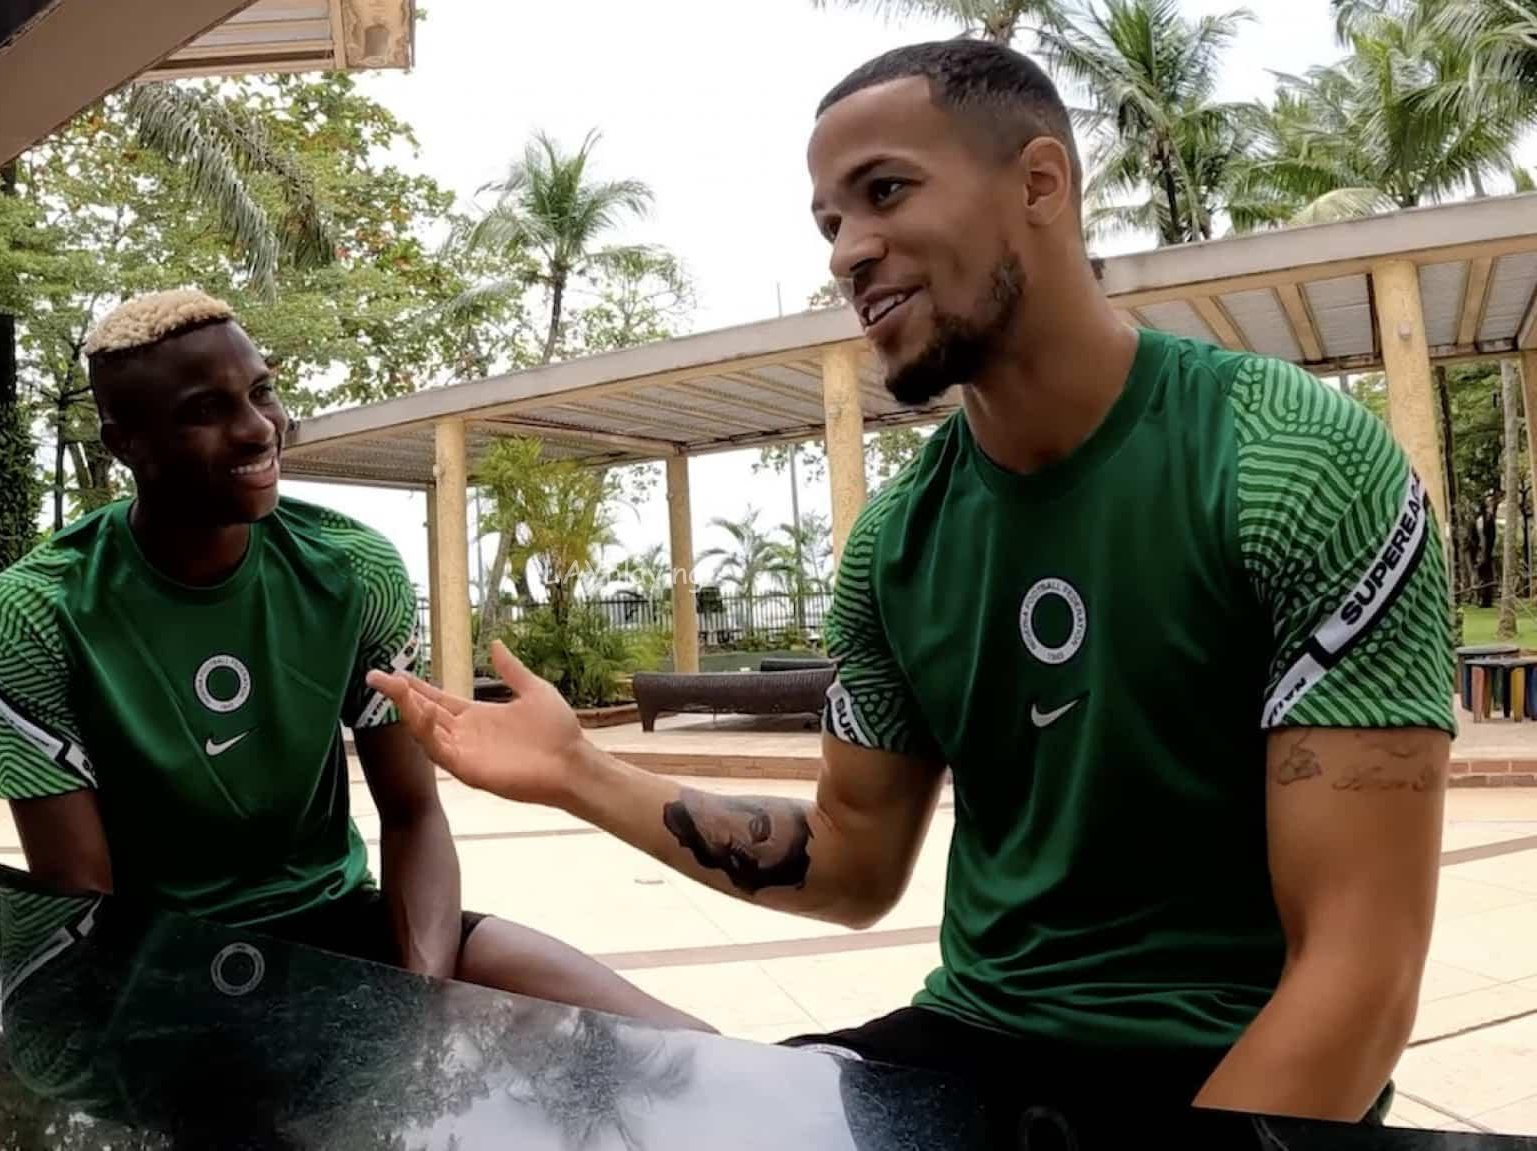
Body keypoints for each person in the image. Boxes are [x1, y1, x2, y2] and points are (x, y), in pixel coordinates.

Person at [369, 41, 1453, 1123]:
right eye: (830, 223)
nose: (848, 252)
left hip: (1233, 1065)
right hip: (976, 1041)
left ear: (1040, 183)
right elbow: (852, 863)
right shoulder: (898, 541)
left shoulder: (1293, 464)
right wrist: (577, 772)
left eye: (884, 191)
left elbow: (1360, 974)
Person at [0, 288, 705, 1031]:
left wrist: (416, 1004)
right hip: (153, 966)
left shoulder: (354, 569)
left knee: (679, 1045)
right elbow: (80, 899)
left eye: (262, 392)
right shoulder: (41, 609)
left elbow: (414, 811)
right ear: (124, 442)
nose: (258, 428)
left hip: (343, 925)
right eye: (205, 410)